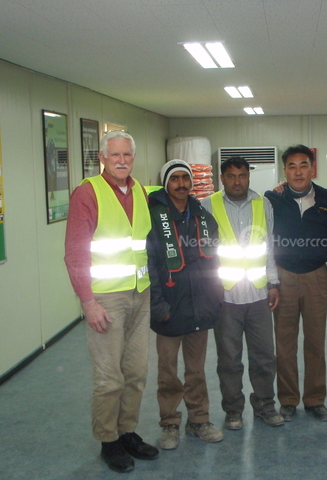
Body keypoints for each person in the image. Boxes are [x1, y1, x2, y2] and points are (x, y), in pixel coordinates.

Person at [64, 131, 158, 473]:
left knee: (136, 372)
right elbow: (75, 252)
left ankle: (127, 431)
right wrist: (87, 302)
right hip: (106, 298)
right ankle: (108, 440)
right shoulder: (88, 193)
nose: (122, 161)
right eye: (115, 155)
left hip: (140, 294)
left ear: (133, 158)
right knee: (108, 378)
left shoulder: (143, 193)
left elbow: (184, 196)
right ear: (102, 158)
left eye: (127, 155)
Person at [201, 156, 284, 430]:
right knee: (229, 359)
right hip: (225, 298)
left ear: (249, 177)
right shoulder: (207, 205)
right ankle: (233, 410)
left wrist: (273, 283)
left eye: (242, 175)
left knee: (264, 357)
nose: (238, 181)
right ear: (222, 178)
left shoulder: (264, 203)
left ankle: (265, 406)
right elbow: (203, 253)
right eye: (231, 176)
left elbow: (269, 247)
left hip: (259, 296)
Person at [147, 159, 224, 450]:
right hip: (168, 307)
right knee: (168, 372)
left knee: (196, 370)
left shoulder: (202, 215)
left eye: (185, 178)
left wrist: (214, 297)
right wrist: (158, 306)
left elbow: (215, 259)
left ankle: (199, 420)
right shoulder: (154, 217)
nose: (181, 184)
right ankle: (169, 423)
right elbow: (151, 265)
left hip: (200, 306)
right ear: (166, 183)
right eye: (175, 179)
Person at [264, 145, 327, 422]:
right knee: (284, 342)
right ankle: (288, 399)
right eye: (292, 166)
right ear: (285, 171)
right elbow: (267, 239)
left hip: (317, 276)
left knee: (316, 341)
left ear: (312, 168)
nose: (298, 171)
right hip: (284, 276)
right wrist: (272, 279)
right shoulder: (273, 199)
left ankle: (315, 399)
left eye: (303, 165)